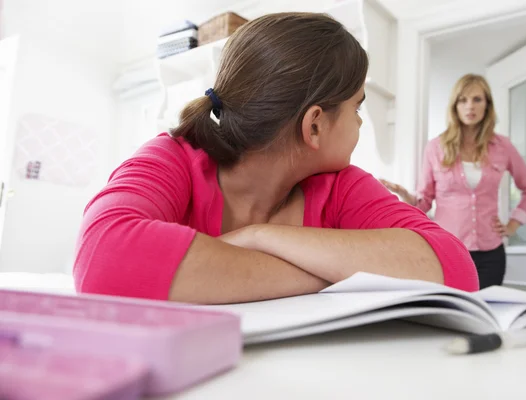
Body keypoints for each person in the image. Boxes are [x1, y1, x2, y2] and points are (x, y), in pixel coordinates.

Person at [73, 13, 478, 305]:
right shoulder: (171, 159)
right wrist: (334, 274)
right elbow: (103, 261)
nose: (359, 124)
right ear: (314, 125)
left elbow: (455, 268)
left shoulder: (343, 185)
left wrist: (260, 237)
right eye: (357, 108)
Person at [380, 74, 526, 289]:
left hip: (491, 255)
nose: (469, 106)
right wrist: (408, 198)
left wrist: (513, 224)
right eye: (462, 100)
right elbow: (425, 201)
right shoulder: (435, 147)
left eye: (477, 99)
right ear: (454, 105)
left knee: (485, 317)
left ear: (487, 104)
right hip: (448, 251)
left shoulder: (503, 146)